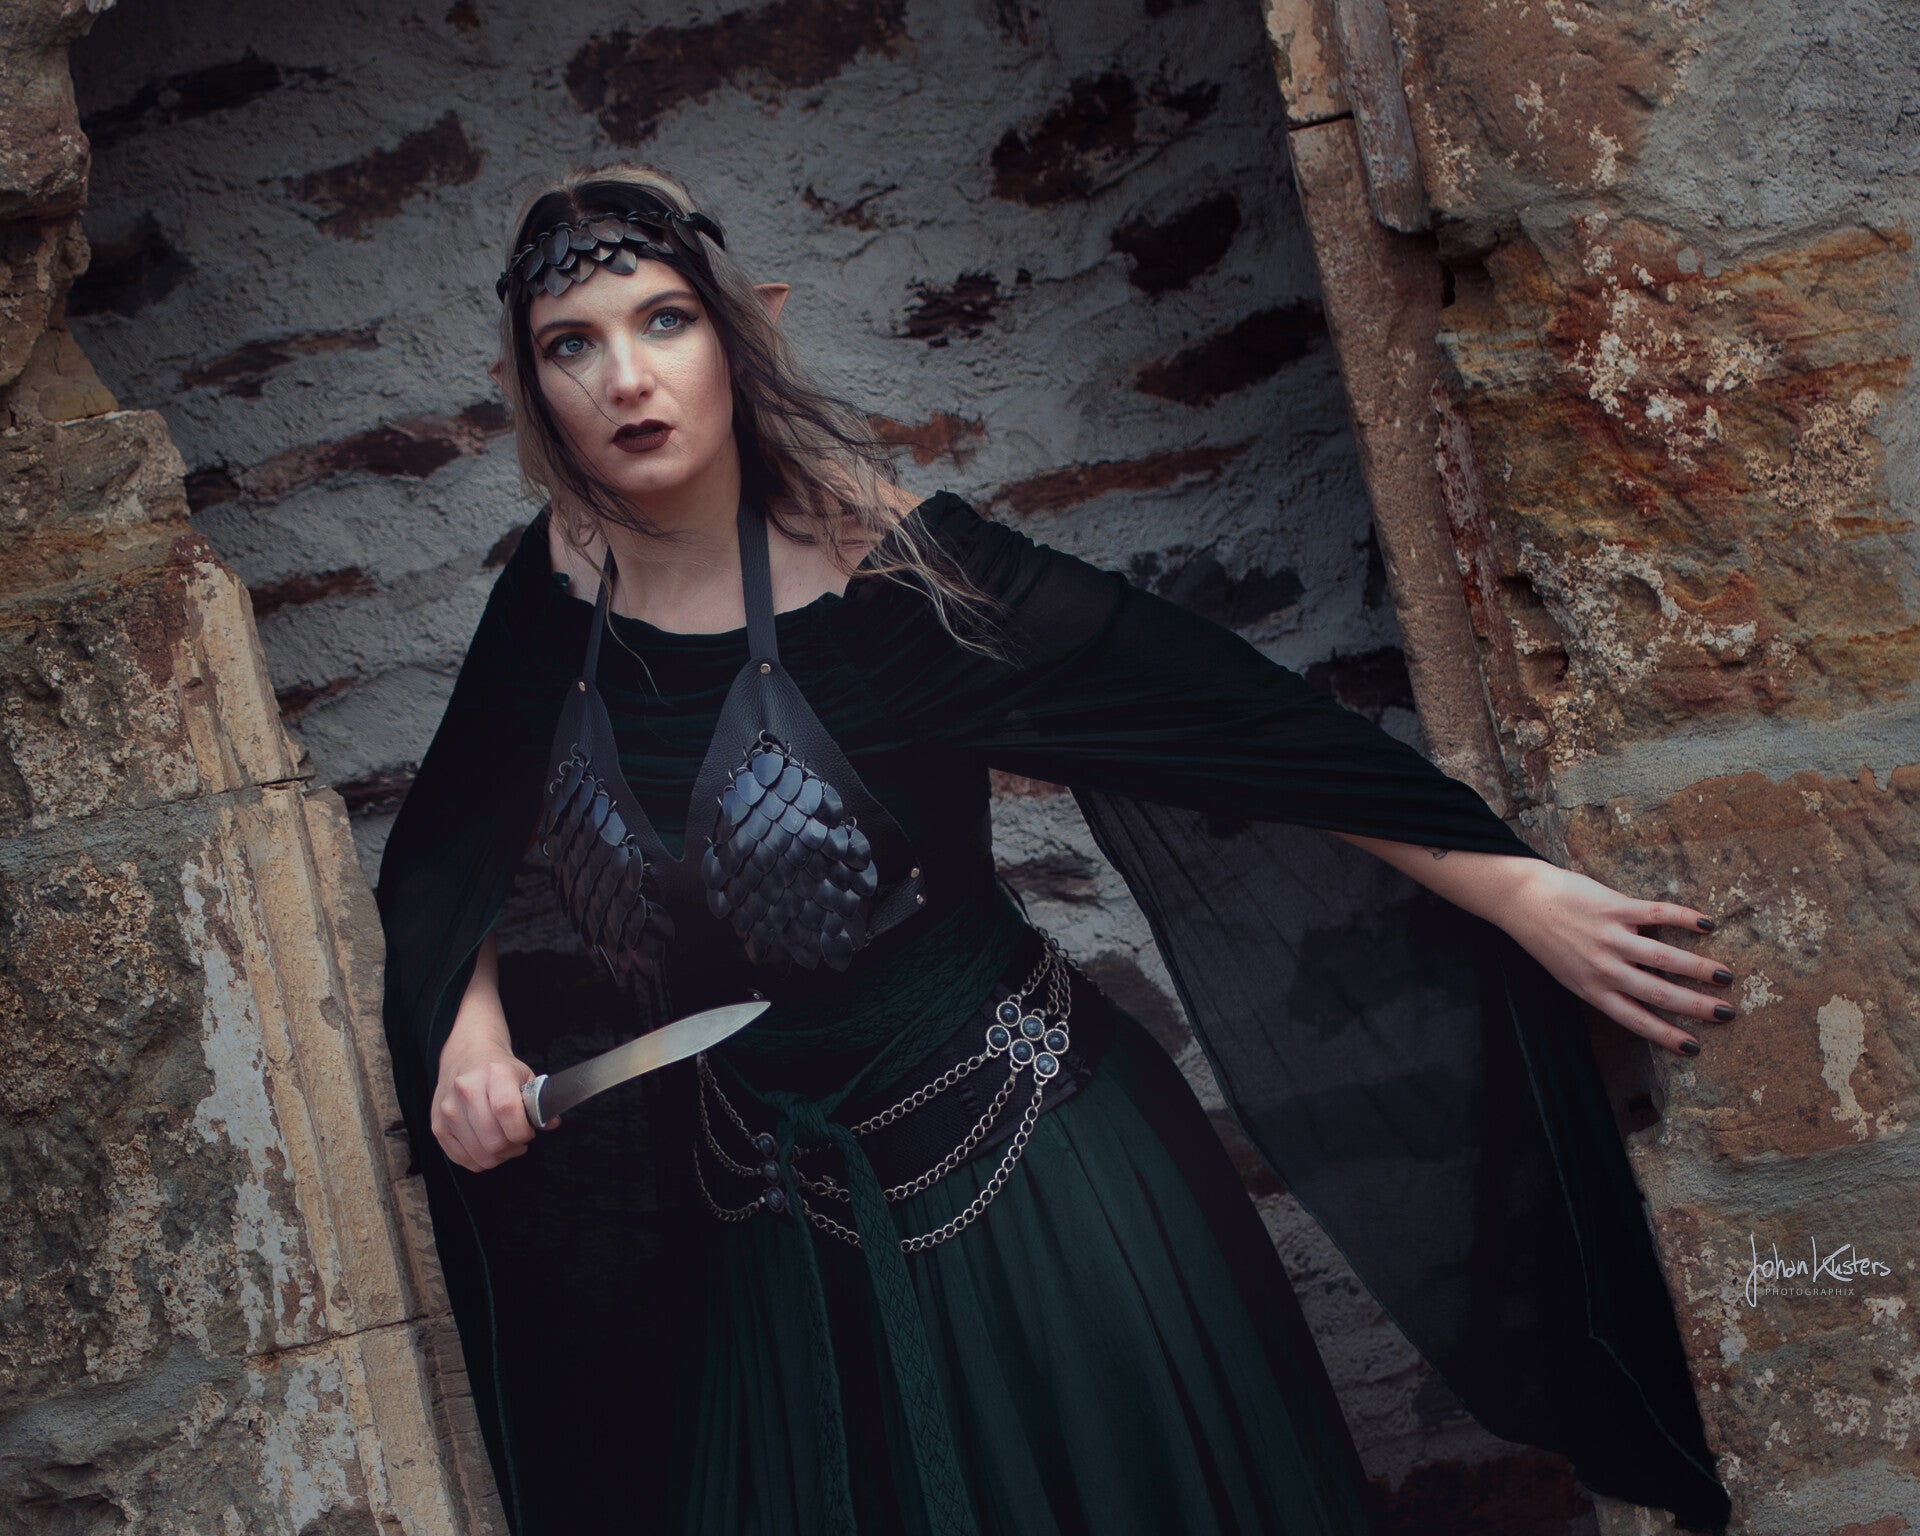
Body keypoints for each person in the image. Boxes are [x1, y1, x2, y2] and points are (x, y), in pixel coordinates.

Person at [375, 162, 1735, 1536]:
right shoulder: (553, 591)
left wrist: (1519, 893)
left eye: (665, 320)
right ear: (529, 385)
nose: (626, 378)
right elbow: (447, 854)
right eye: (572, 344)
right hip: (764, 1234)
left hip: (1026, 1183)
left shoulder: (892, 573)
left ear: (739, 331)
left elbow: (1228, 718)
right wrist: (470, 1040)